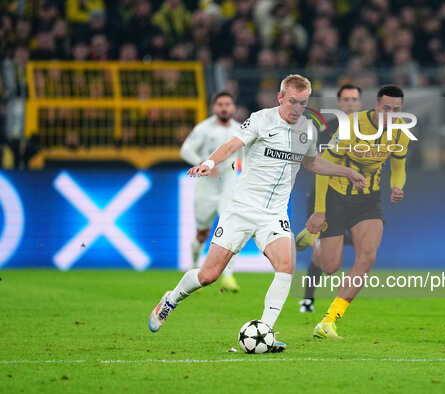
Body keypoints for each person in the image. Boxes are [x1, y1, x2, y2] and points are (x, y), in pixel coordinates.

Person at [148, 74, 366, 351]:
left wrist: (346, 171)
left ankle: (266, 332)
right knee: (209, 275)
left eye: (303, 103)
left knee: (285, 268)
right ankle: (171, 299)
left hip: (274, 213)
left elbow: (313, 163)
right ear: (280, 98)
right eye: (292, 102)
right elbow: (231, 145)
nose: (297, 108)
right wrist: (209, 161)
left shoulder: (308, 130)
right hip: (241, 209)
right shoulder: (261, 119)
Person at [307, 86, 411, 339]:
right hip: (336, 197)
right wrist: (319, 211)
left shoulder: (400, 134)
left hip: (368, 200)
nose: (391, 114)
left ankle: (330, 320)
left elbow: (398, 167)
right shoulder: (351, 126)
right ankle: (315, 243)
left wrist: (398, 187)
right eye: (387, 108)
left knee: (367, 257)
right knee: (331, 266)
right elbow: (323, 166)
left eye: (396, 110)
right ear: (376, 106)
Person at [295, 84, 363, 313]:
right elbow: (317, 163)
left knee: (366, 242)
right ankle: (307, 299)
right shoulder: (325, 130)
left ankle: (329, 240)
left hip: (355, 199)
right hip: (324, 197)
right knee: (320, 255)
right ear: (339, 105)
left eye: (354, 100)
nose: (350, 104)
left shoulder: (371, 132)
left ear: (360, 104)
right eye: (346, 100)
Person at [180, 91, 241, 292]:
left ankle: (229, 276)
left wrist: (243, 170)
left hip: (229, 186)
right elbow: (185, 150)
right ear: (214, 107)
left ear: (233, 107)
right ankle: (194, 266)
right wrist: (202, 164)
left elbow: (247, 156)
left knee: (230, 229)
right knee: (202, 232)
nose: (224, 107)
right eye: (220, 104)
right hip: (207, 186)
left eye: (228, 104)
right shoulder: (204, 129)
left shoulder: (240, 129)